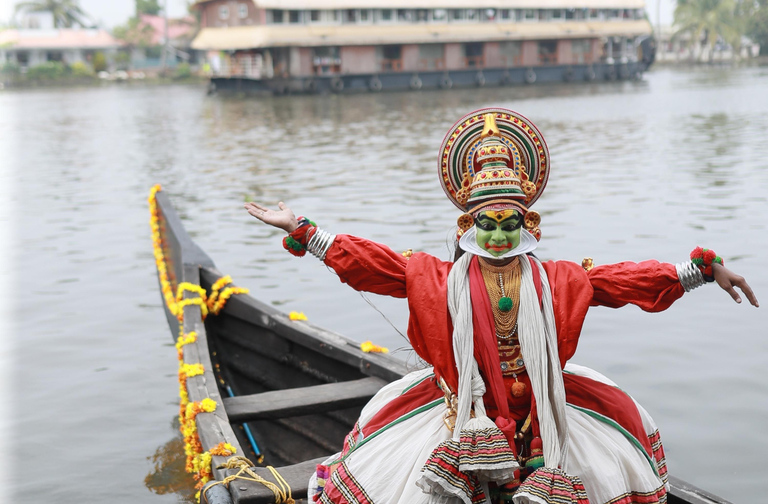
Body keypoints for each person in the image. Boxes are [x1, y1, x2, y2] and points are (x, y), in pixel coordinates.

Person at [245, 108, 757, 504]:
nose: (495, 237)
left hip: (544, 409)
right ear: (468, 227)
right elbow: (373, 263)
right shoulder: (438, 279)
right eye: (485, 225)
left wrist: (701, 271)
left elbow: (621, 282)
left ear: (527, 226)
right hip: (462, 411)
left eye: (508, 224)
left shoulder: (558, 280)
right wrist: (303, 230)